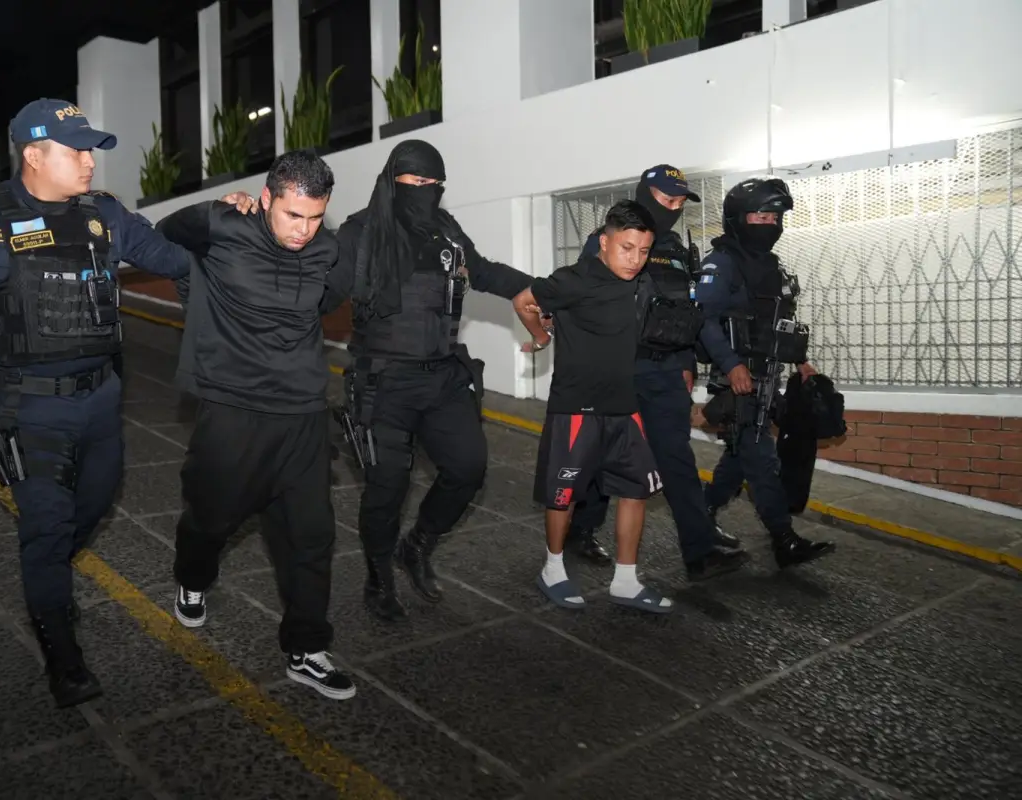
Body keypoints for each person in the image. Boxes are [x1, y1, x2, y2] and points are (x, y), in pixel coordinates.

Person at [0, 98, 200, 709]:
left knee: (94, 502)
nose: (89, 162)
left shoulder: (103, 215)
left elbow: (176, 256)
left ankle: (50, 571)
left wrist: (226, 215)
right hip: (28, 406)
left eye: (90, 150)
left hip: (103, 398)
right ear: (34, 154)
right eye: (76, 149)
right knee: (46, 526)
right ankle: (62, 653)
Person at [156, 150, 357, 701]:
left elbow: (328, 297)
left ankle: (306, 648)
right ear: (267, 198)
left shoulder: (326, 249)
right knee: (210, 520)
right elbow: (165, 230)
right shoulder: (223, 225)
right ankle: (192, 579)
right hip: (233, 410)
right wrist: (217, 202)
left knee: (311, 537)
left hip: (302, 414)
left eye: (315, 218)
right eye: (294, 215)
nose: (304, 230)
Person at [320, 139, 534, 622]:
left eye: (433, 185)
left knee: (468, 469)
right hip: (383, 383)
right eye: (415, 183)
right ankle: (379, 575)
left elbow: (482, 272)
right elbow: (320, 295)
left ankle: (416, 546)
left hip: (442, 378)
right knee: (386, 489)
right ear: (392, 181)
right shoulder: (360, 233)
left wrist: (532, 286)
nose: (425, 192)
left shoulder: (447, 230)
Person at [563, 165, 747, 582]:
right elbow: (585, 303)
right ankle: (582, 529)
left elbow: (689, 314)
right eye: (667, 200)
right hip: (617, 370)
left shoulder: (678, 250)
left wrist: (690, 365)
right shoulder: (609, 241)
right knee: (598, 457)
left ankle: (699, 553)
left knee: (676, 459)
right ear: (645, 195)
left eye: (681, 202)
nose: (674, 209)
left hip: (665, 374)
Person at [513, 200, 673, 613]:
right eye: (626, 248)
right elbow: (523, 301)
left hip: (624, 407)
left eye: (643, 250)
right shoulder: (572, 280)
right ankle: (552, 569)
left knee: (637, 490)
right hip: (576, 408)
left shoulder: (640, 282)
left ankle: (625, 580)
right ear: (604, 242)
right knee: (562, 495)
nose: (635, 259)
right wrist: (543, 336)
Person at [695, 176, 836, 568]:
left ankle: (700, 513)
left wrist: (800, 361)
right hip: (737, 380)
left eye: (775, 216)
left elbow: (779, 320)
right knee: (761, 458)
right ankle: (784, 540)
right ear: (738, 218)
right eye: (760, 215)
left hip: (767, 377)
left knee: (741, 455)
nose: (770, 222)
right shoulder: (720, 263)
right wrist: (732, 364)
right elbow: (703, 320)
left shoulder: (771, 266)